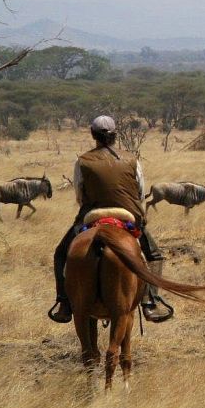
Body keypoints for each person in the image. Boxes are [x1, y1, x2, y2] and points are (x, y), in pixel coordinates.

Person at [48, 115, 173, 323]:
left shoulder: (83, 161)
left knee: (61, 254)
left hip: (93, 215)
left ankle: (64, 303)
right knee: (154, 256)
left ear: (92, 134)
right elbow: (140, 193)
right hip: (127, 216)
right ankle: (150, 301)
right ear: (115, 135)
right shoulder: (132, 159)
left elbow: (79, 194)